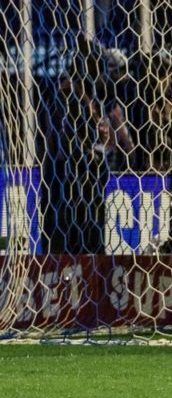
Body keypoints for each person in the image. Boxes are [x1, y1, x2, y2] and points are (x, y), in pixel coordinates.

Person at [38, 34, 118, 255]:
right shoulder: (62, 94)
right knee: (66, 246)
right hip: (64, 181)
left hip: (89, 181)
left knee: (91, 243)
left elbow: (110, 141)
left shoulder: (94, 98)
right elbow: (55, 140)